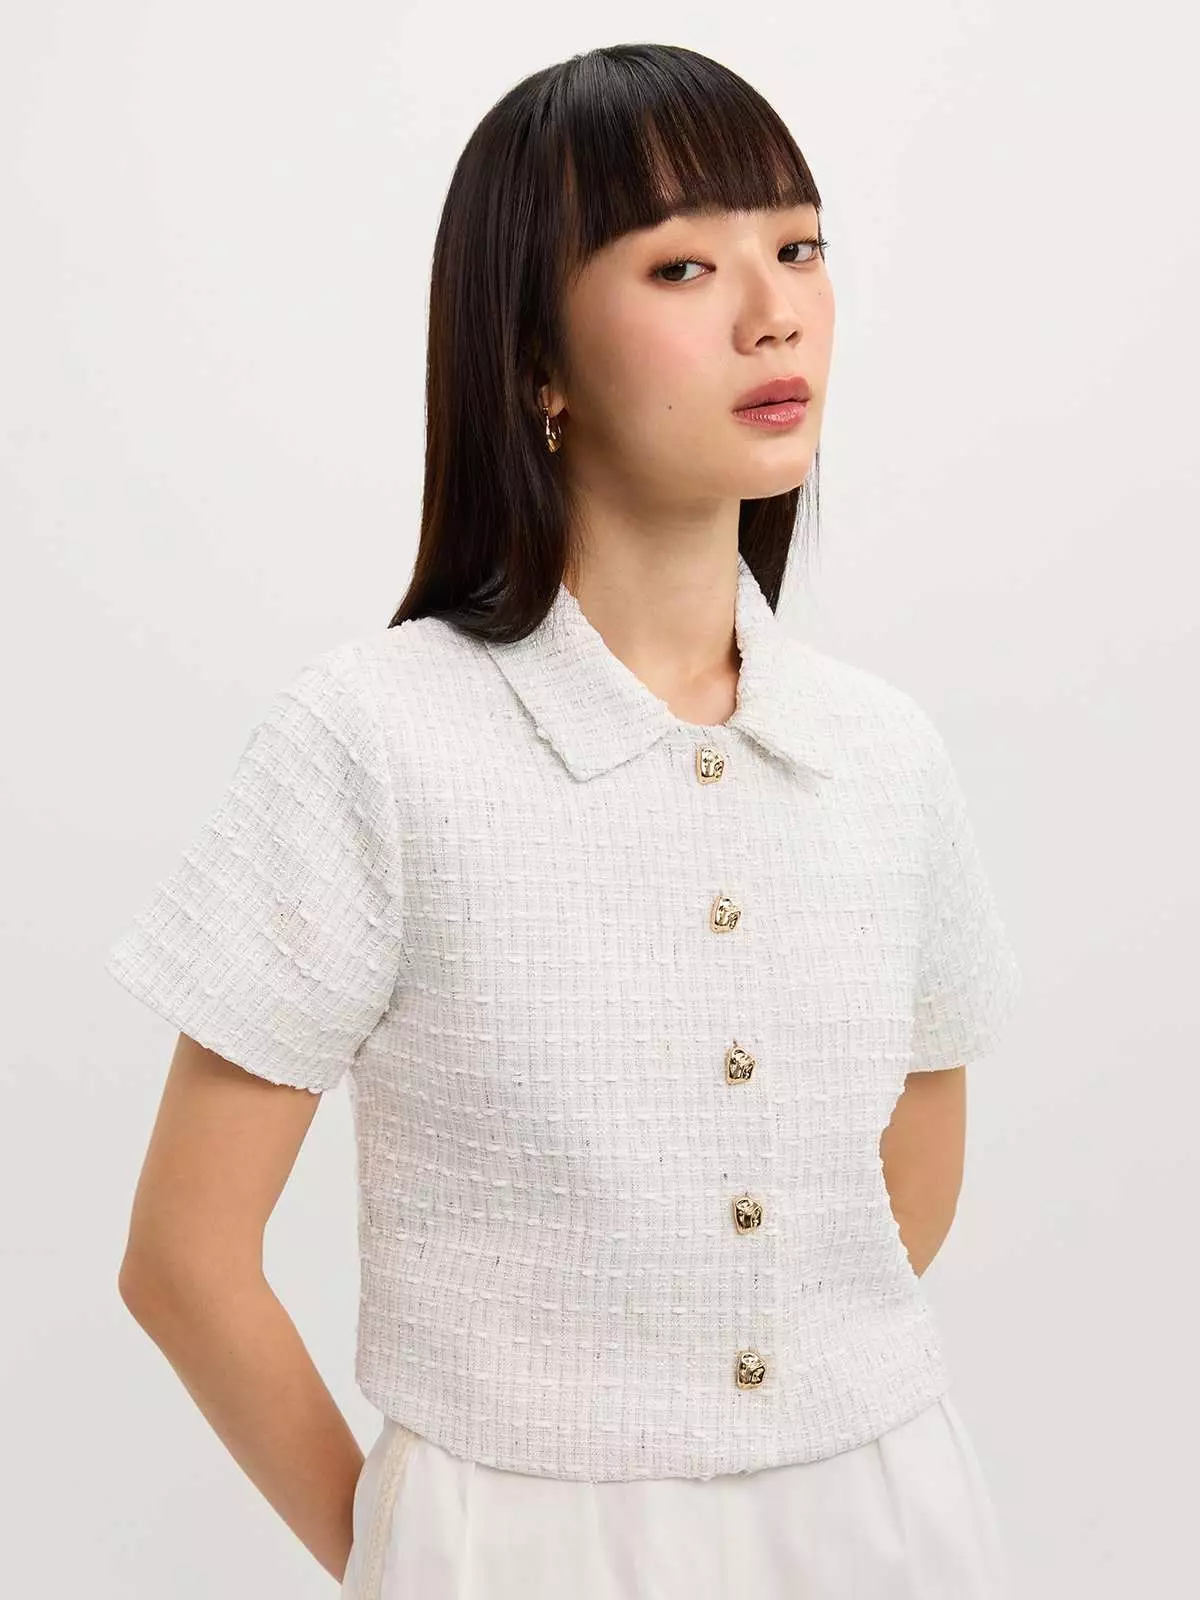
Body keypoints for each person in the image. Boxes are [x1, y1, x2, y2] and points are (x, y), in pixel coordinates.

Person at [107, 41, 1023, 1600]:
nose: (774, 311)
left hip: (887, 1523)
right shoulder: (380, 740)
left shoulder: (881, 752)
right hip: (514, 1540)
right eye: (683, 267)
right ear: (538, 361)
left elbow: (909, 1173)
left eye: (800, 249)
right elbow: (183, 1259)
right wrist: (400, 1551)